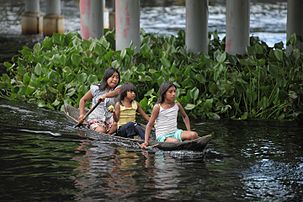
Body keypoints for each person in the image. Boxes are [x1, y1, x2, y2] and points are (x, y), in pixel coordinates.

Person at [140, 81, 198, 149]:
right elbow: (150, 125)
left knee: (194, 135)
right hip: (163, 136)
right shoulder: (158, 107)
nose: (173, 94)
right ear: (164, 94)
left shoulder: (177, 105)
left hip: (175, 132)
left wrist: (188, 130)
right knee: (176, 142)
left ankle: (185, 142)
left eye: (174, 91)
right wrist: (146, 142)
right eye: (170, 92)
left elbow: (185, 116)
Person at [78, 67, 121, 134]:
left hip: (109, 120)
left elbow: (117, 92)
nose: (115, 79)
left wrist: (105, 96)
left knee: (117, 124)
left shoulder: (117, 90)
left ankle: (108, 135)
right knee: (101, 131)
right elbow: (83, 100)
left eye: (117, 78)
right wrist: (81, 115)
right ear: (107, 78)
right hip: (96, 119)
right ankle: (104, 134)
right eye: (112, 77)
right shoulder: (96, 89)